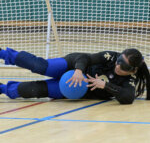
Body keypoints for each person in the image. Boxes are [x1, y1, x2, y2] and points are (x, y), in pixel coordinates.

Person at [0, 47, 149, 104]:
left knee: (33, 90)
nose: (118, 65)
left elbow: (128, 97)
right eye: (119, 60)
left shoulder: (130, 79)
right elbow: (85, 57)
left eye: (123, 66)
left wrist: (105, 85)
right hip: (73, 65)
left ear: (133, 70)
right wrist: (78, 71)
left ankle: (2, 89)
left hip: (73, 88)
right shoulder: (109, 57)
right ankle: (2, 53)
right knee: (40, 66)